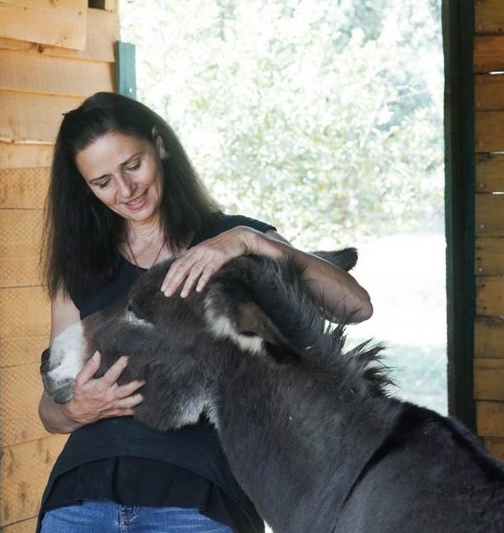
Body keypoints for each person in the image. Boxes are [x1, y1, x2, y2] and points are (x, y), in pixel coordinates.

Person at [37, 92, 373, 532]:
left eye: (132, 166)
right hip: (80, 497)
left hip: (199, 498)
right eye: (103, 183)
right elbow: (49, 409)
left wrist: (250, 242)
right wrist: (76, 410)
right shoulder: (81, 267)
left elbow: (355, 306)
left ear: (159, 144)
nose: (125, 190)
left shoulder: (233, 240)